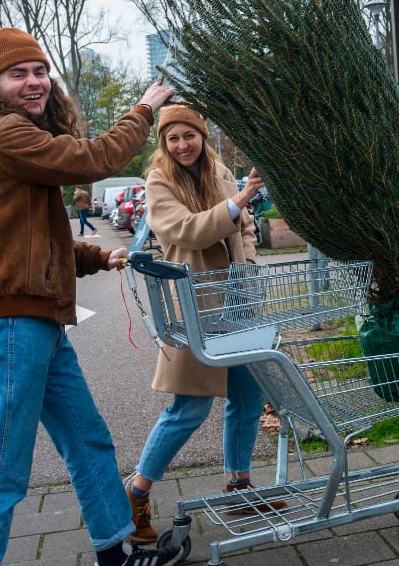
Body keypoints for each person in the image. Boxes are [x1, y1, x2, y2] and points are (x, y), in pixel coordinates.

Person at [0, 27, 180, 566]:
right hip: (13, 323)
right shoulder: (5, 133)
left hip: (37, 320)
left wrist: (99, 257)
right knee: (3, 472)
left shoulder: (14, 137)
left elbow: (28, 243)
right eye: (18, 74)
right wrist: (144, 109)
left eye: (39, 71)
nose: (34, 82)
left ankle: (115, 554)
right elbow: (96, 159)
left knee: (86, 438)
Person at [125, 105, 283, 545]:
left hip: (238, 301)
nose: (182, 145)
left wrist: (248, 266)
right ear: (164, 144)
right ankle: (136, 494)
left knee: (248, 396)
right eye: (173, 139)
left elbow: (244, 227)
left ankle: (239, 486)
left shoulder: (220, 172)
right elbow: (188, 231)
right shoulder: (159, 181)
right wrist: (240, 199)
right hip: (194, 306)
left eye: (189, 136)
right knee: (189, 408)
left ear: (202, 135)